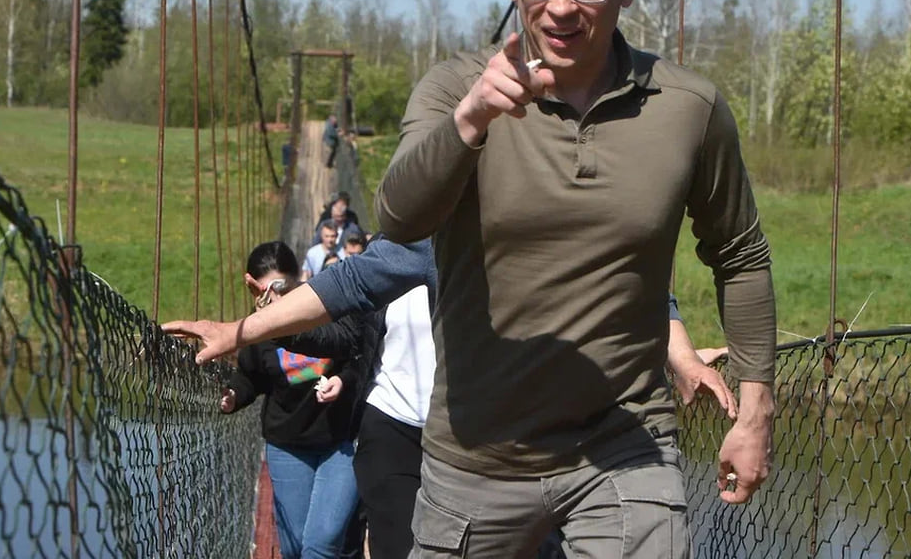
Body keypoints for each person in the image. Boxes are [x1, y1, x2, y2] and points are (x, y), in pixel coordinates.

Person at [373, 0, 777, 558]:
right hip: (480, 451)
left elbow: (740, 254)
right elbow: (397, 218)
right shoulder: (455, 90)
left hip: (625, 445)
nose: (560, 7)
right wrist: (469, 123)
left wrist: (756, 410)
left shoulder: (689, 110)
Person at [165, 238, 737, 559]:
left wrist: (677, 356)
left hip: (487, 437)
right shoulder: (412, 249)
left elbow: (630, 281)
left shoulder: (532, 230)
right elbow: (338, 312)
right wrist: (244, 330)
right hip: (394, 428)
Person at [216, 241, 365, 559]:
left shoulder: (328, 311)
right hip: (288, 446)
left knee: (320, 545)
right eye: (268, 292)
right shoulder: (257, 332)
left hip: (339, 443)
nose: (278, 299)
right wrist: (234, 396)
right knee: (297, 546)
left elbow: (360, 356)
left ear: (298, 280)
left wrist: (343, 379)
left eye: (282, 287)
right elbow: (250, 377)